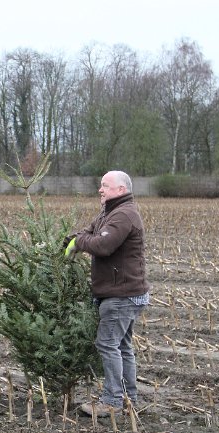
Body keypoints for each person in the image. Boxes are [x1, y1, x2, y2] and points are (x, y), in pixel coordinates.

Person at [65, 170, 150, 417]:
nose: (100, 189)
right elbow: (88, 232)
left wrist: (79, 244)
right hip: (118, 292)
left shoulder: (124, 214)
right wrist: (72, 239)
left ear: (121, 190)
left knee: (108, 343)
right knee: (122, 345)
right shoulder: (109, 212)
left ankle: (112, 401)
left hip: (121, 294)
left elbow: (103, 245)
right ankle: (128, 398)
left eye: (105, 185)